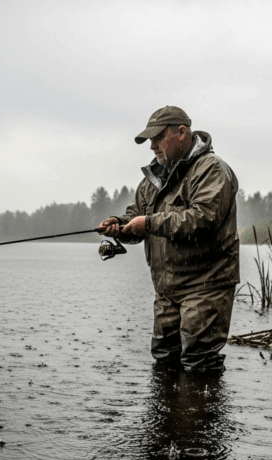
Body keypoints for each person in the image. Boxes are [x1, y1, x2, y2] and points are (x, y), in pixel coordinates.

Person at [98, 106, 239, 372]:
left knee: (199, 364)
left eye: (158, 137)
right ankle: (168, 415)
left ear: (181, 132)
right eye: (149, 140)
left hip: (206, 285)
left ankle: (202, 415)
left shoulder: (212, 170)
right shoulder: (152, 179)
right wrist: (119, 226)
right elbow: (136, 217)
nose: (152, 146)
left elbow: (203, 220)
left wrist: (148, 223)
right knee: (164, 361)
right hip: (167, 289)